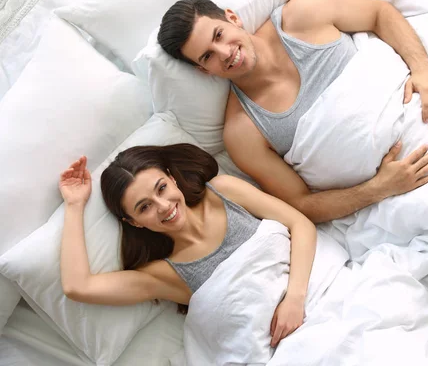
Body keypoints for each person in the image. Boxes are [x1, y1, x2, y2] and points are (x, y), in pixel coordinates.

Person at [157, 0, 428, 224]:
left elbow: (380, 14)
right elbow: (301, 204)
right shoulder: (242, 132)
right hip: (387, 192)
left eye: (218, 35)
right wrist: (380, 188)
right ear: (204, 71)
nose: (225, 53)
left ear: (232, 18)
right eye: (207, 56)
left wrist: (423, 69)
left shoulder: (303, 13)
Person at [58, 144, 317, 347]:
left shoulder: (223, 192)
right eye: (144, 207)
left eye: (161, 188)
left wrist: (295, 299)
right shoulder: (165, 274)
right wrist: (74, 205)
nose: (164, 206)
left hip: (315, 294)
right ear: (134, 222)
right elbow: (77, 286)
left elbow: (300, 224)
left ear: (172, 179)